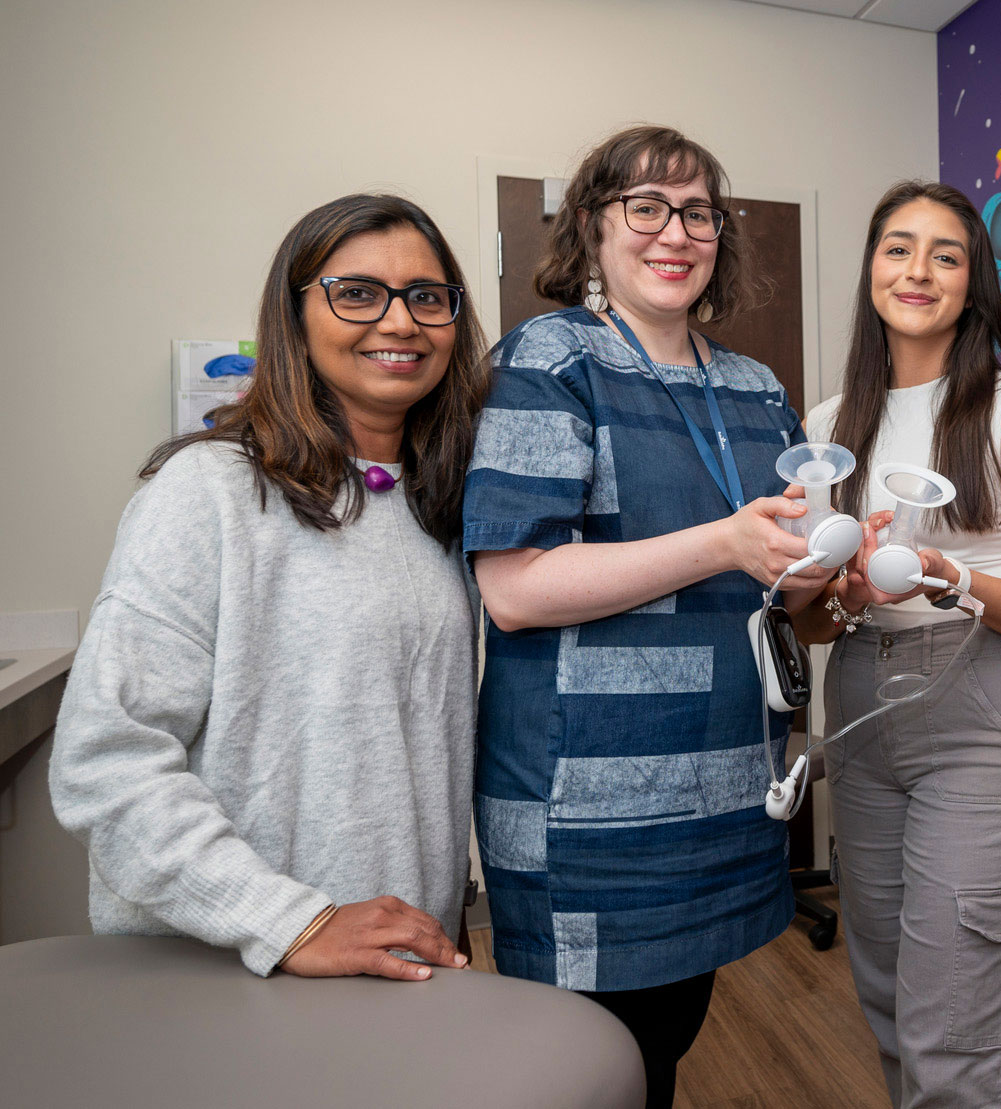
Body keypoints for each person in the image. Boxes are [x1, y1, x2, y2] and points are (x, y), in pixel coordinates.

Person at [463, 125, 834, 1108]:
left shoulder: (754, 387)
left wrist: (830, 566)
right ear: (593, 225)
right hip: (588, 812)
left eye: (698, 210)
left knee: (662, 1047)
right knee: (586, 1071)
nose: (676, 231)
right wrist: (720, 542)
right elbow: (515, 585)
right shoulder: (550, 360)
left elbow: (771, 578)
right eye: (647, 207)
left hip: (720, 791)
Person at [51, 194, 489, 980]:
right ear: (293, 316)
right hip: (226, 966)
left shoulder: (437, 508)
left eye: (428, 297)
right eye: (357, 292)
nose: (400, 322)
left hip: (391, 959)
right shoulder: (209, 491)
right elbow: (105, 761)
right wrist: (291, 921)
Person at [793, 181, 1001, 1107]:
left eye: (945, 254)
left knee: (953, 1028)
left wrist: (946, 577)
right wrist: (832, 594)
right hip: (861, 701)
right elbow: (813, 623)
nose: (916, 270)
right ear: (870, 269)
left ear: (974, 285)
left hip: (986, 708)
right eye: (896, 247)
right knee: (886, 994)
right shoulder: (826, 426)